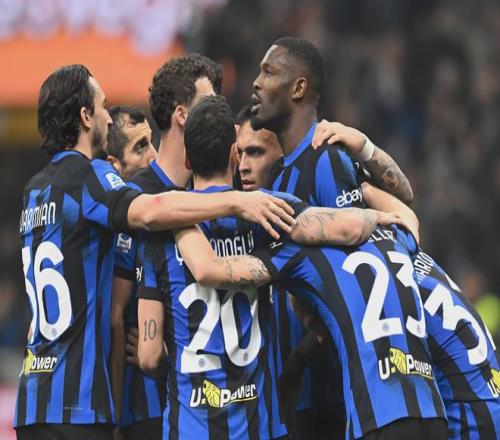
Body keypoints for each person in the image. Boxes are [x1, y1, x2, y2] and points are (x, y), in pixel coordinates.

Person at [14, 64, 296, 440]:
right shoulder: (91, 175)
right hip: (79, 404)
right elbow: (148, 212)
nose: (108, 118)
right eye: (102, 107)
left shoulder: (33, 191)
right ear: (85, 116)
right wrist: (236, 202)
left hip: (32, 397)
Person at [135, 95, 405, 440]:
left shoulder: (159, 230)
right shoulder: (266, 213)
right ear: (234, 154)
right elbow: (348, 228)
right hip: (258, 426)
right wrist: (379, 215)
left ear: (187, 159)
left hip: (189, 427)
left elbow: (149, 356)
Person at [175, 185, 448, 440]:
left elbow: (211, 270)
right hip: (433, 412)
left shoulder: (305, 254)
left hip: (378, 416)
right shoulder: (393, 235)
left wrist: (176, 216)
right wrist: (365, 187)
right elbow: (409, 218)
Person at [105, 105, 165, 440]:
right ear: (115, 165)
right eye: (140, 147)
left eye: (152, 142)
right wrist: (114, 420)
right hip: (137, 409)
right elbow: (115, 318)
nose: (153, 157)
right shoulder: (118, 227)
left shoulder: (170, 202)